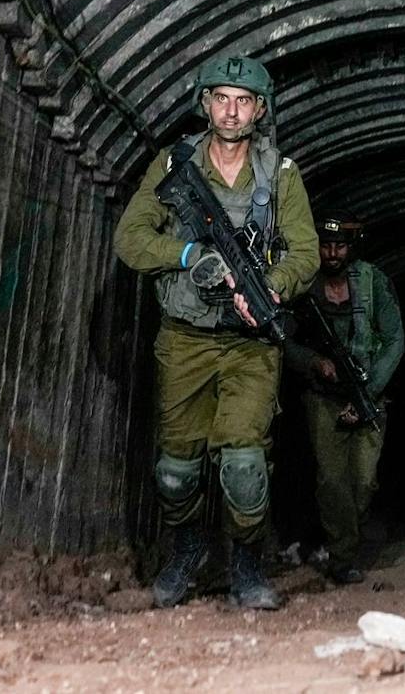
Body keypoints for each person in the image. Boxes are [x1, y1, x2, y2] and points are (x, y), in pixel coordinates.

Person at [114, 54, 318, 610]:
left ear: (259, 110)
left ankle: (246, 563)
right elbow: (131, 239)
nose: (231, 111)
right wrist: (185, 254)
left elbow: (306, 252)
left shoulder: (280, 174)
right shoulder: (173, 164)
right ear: (205, 104)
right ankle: (186, 551)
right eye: (221, 99)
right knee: (177, 468)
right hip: (185, 336)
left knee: (245, 462)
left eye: (243, 101)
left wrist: (272, 288)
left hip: (250, 343)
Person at [282, 212, 404, 585]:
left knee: (363, 481)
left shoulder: (372, 282)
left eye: (340, 246)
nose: (332, 253)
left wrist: (367, 392)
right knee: (332, 481)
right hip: (323, 399)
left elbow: (395, 340)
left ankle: (346, 537)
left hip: (369, 396)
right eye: (325, 245)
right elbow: (283, 340)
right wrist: (314, 361)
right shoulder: (303, 283)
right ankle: (342, 557)